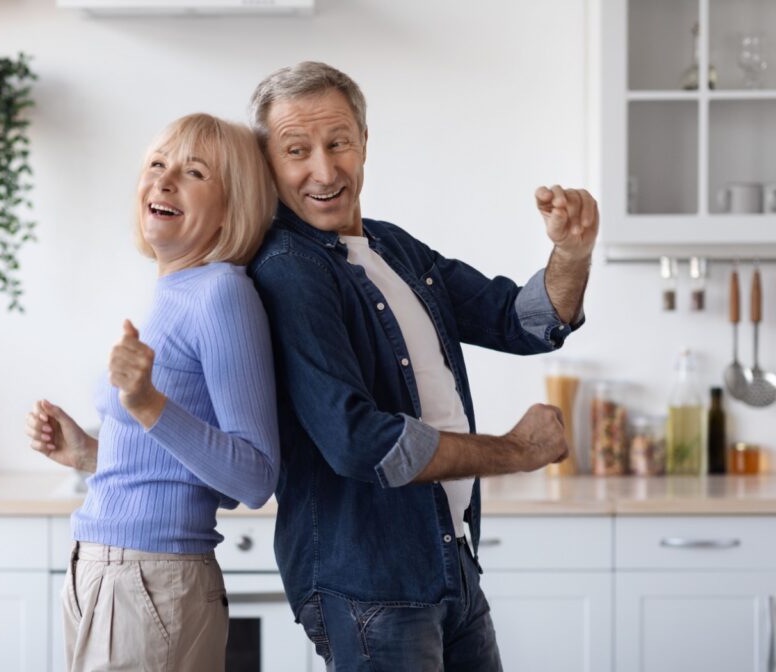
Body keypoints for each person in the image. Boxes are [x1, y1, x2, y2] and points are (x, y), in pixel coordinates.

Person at [246, 62, 598, 671]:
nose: (323, 171)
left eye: (338, 143)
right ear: (268, 163)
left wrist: (571, 251)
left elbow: (522, 319)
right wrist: (515, 451)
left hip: (448, 560)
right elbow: (359, 441)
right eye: (296, 150)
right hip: (370, 585)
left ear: (364, 143)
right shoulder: (290, 269)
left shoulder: (394, 248)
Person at [24, 112, 280, 672]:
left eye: (194, 173)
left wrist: (145, 403)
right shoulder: (177, 290)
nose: (164, 181)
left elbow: (254, 478)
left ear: (233, 206)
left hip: (145, 577)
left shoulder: (221, 295)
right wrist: (91, 455)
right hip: (116, 574)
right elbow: (187, 471)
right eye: (157, 165)